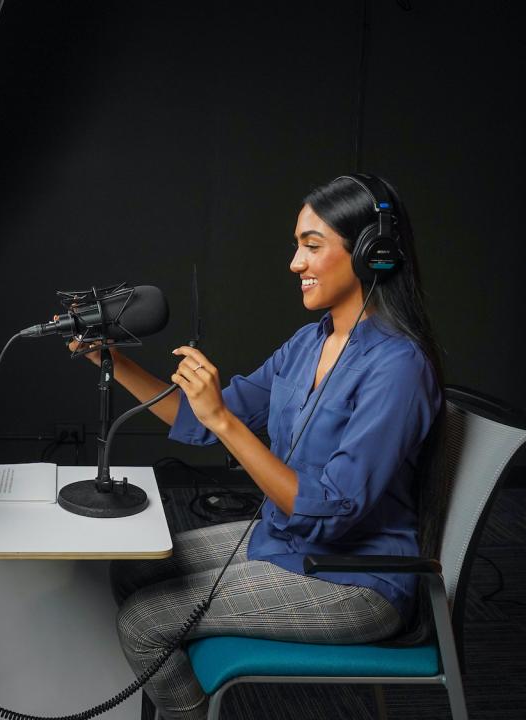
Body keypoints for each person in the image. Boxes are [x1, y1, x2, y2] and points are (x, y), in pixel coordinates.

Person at [71, 173, 444, 720]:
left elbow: (332, 509)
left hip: (357, 580)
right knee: (132, 569)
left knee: (145, 624)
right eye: (297, 245)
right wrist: (109, 359)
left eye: (312, 247)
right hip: (290, 543)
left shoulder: (399, 368)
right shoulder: (309, 343)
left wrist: (224, 420)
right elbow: (197, 418)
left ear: (371, 254)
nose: (295, 263)